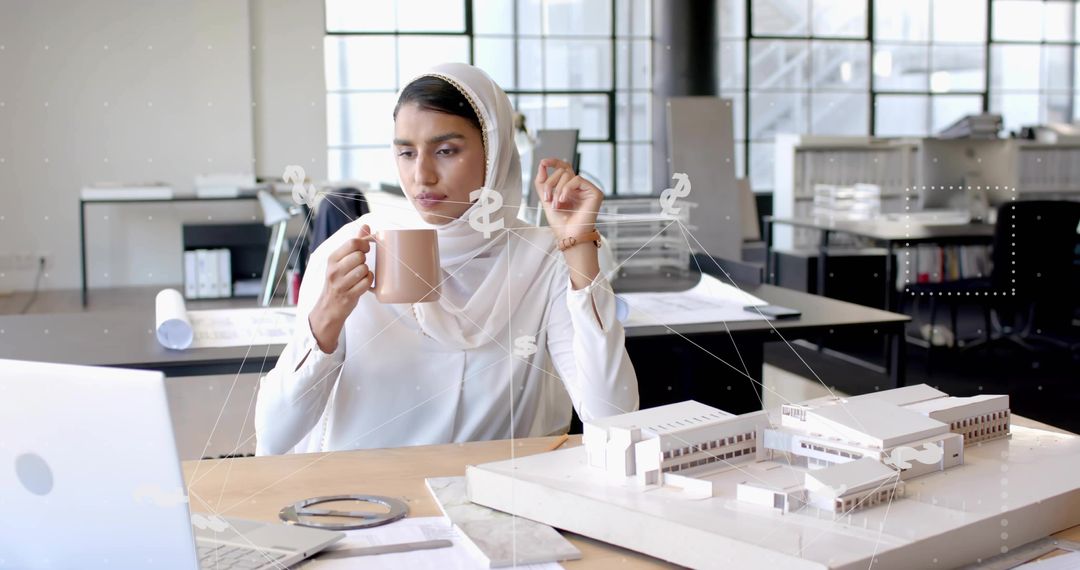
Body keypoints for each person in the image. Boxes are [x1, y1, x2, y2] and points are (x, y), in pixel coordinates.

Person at [255, 63, 638, 454]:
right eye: (406, 153)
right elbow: (274, 437)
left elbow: (613, 418)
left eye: (446, 151)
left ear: (494, 153)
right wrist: (326, 320)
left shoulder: (541, 259)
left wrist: (578, 245)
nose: (421, 175)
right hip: (369, 489)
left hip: (496, 488)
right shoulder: (354, 252)